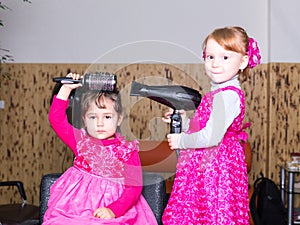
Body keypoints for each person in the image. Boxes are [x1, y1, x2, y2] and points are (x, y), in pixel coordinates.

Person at [162, 26, 261, 224]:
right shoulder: (219, 93)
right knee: (203, 212)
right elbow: (207, 126)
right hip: (206, 165)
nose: (215, 64)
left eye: (225, 58)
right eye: (210, 57)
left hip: (216, 167)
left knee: (214, 212)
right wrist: (184, 122)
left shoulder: (227, 95)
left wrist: (182, 140)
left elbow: (211, 136)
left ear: (242, 62)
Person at [43, 73, 158, 225]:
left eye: (107, 117)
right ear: (84, 119)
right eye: (93, 117)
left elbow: (134, 188)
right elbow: (56, 119)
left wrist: (113, 210)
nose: (99, 123)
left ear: (119, 118)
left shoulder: (127, 151)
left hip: (112, 209)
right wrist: (66, 88)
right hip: (74, 210)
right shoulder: (80, 141)